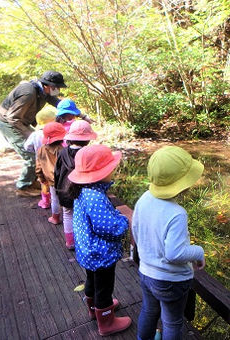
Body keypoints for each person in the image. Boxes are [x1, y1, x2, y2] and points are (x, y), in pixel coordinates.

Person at [132, 145, 206, 340]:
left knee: (149, 310)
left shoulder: (144, 199)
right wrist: (198, 252)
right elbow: (174, 254)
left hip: (147, 272)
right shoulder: (177, 214)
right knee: (172, 321)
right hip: (171, 281)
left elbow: (136, 230)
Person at [67, 144, 132, 336]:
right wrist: (123, 221)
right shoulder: (95, 196)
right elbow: (109, 227)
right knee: (104, 287)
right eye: (111, 168)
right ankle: (106, 322)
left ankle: (94, 309)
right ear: (101, 173)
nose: (113, 171)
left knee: (92, 280)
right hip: (100, 253)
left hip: (88, 250)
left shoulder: (82, 190)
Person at [0, 71, 67, 197]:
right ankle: (22, 187)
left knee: (38, 148)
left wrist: (80, 115)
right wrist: (31, 135)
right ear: (47, 85)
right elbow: (12, 118)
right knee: (31, 154)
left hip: (20, 121)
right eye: (56, 87)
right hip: (9, 123)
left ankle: (32, 181)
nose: (58, 90)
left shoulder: (42, 91)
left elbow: (58, 103)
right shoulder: (28, 93)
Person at [54, 120, 97, 250]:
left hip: (64, 190)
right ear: (88, 140)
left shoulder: (62, 152)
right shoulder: (89, 153)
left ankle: (70, 242)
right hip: (82, 191)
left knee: (67, 214)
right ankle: (83, 240)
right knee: (83, 217)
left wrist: (57, 190)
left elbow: (56, 172)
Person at [24, 106, 57, 209]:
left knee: (44, 182)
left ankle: (45, 201)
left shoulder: (35, 134)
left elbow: (27, 147)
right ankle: (55, 199)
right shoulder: (55, 132)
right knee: (54, 179)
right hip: (53, 160)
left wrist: (34, 150)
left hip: (40, 161)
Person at [35, 122, 66, 225]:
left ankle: (55, 218)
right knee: (67, 199)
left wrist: (42, 179)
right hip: (63, 180)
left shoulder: (41, 150)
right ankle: (69, 217)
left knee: (54, 199)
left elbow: (38, 167)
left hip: (51, 180)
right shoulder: (62, 150)